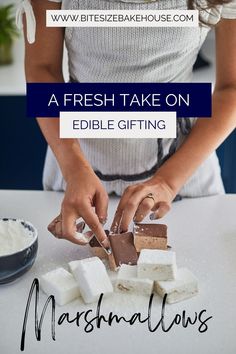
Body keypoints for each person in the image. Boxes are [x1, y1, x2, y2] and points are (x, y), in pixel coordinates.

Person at [17, 0, 236, 250]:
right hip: (74, 170)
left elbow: (232, 89)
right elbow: (42, 69)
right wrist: (74, 168)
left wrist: (166, 182)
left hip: (185, 178)